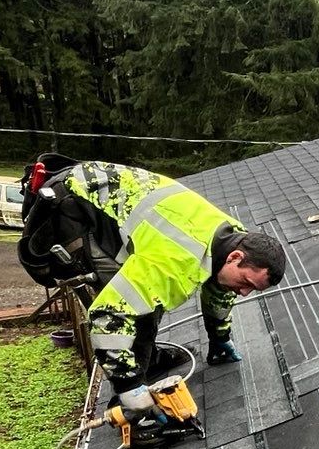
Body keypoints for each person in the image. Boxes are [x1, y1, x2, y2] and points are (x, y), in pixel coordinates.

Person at [18, 160, 286, 418]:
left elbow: (221, 286)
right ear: (236, 258)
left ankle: (147, 363)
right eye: (247, 284)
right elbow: (107, 316)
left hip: (103, 190)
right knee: (135, 308)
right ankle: (127, 401)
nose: (244, 293)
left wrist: (219, 338)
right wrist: (130, 388)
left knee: (144, 301)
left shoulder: (233, 238)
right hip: (72, 208)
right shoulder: (177, 261)